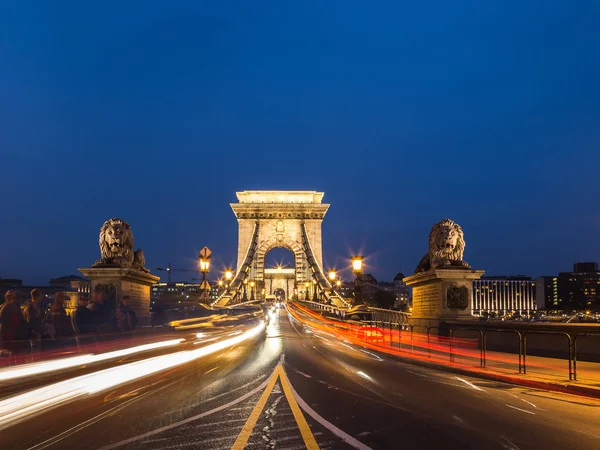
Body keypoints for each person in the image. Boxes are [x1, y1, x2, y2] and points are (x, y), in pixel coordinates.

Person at [0, 291, 24, 356]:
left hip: (15, 335)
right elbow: (3, 323)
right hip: (9, 336)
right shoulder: (7, 307)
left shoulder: (16, 307)